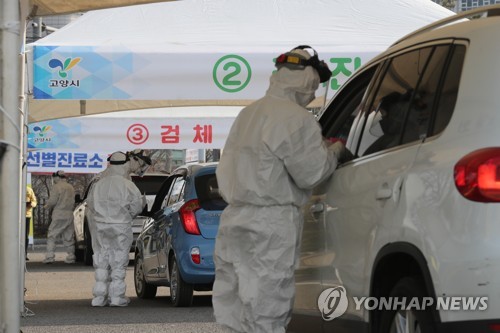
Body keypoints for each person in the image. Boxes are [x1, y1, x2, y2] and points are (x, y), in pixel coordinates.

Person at [212, 45, 346, 333]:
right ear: (309, 79)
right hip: (270, 226)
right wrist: (333, 152)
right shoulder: (295, 119)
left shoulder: (249, 114)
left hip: (234, 219)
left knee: (234, 307)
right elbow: (311, 173)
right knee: (267, 306)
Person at [86, 151, 145, 307]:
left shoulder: (99, 183)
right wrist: (127, 216)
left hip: (100, 225)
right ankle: (117, 297)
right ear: (125, 164)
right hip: (120, 225)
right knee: (119, 260)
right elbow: (137, 206)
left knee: (101, 258)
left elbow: (90, 204)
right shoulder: (128, 185)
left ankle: (99, 297)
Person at [43, 170, 76, 264]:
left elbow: (53, 200)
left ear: (57, 177)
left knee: (52, 235)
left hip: (59, 214)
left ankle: (50, 256)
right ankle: (71, 256)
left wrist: (46, 206)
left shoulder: (56, 187)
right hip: (69, 214)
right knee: (68, 236)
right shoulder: (71, 187)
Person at [25, 186, 37, 261]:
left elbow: (34, 201)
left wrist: (31, 204)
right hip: (15, 216)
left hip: (26, 216)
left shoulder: (29, 189)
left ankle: (24, 253)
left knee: (25, 236)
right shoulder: (13, 188)